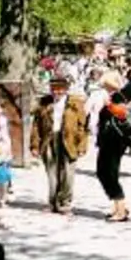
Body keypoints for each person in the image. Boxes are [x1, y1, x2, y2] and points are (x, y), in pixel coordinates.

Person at [30, 78, 88, 214]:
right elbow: (36, 125)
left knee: (68, 173)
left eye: (61, 88)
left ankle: (65, 202)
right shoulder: (44, 103)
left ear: (66, 89)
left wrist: (82, 145)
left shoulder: (75, 103)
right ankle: (52, 202)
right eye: (54, 88)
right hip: (49, 139)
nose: (58, 91)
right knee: (52, 173)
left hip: (69, 140)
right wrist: (34, 145)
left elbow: (83, 126)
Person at [94, 70, 131, 222]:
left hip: (114, 141)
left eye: (106, 84)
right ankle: (118, 206)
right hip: (109, 140)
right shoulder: (112, 97)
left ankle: (121, 208)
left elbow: (121, 114)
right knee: (105, 172)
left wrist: (109, 106)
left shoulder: (117, 97)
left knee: (108, 173)